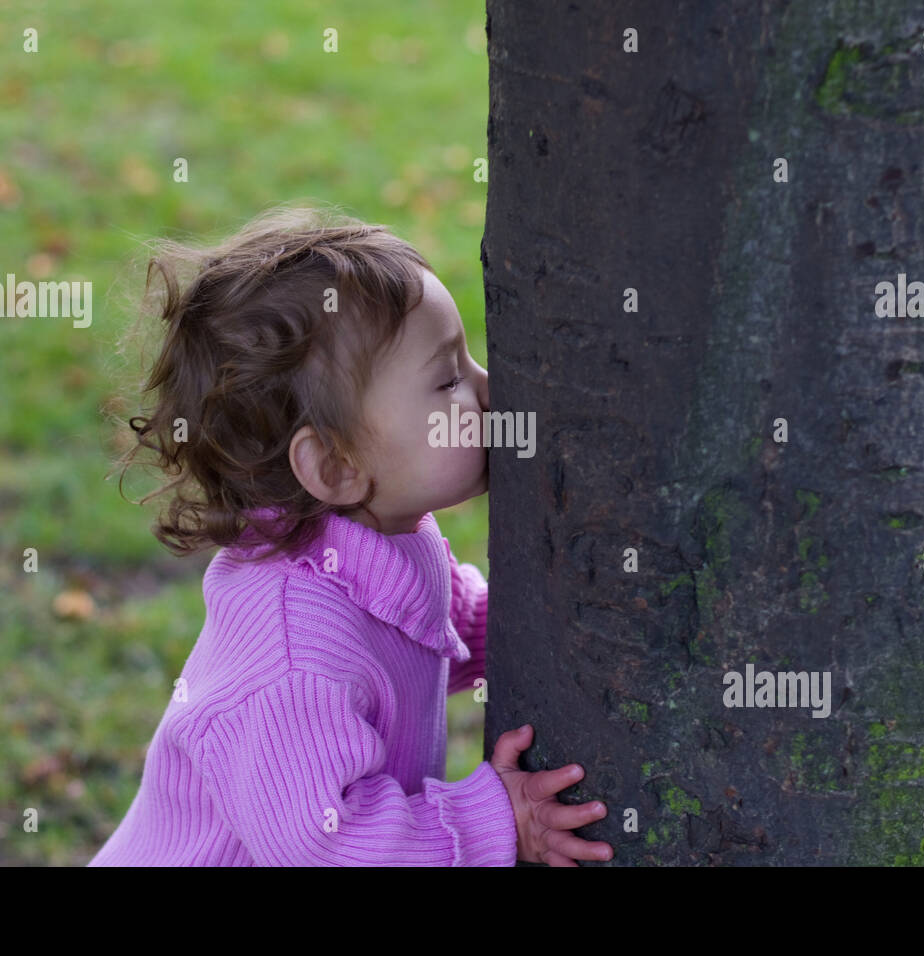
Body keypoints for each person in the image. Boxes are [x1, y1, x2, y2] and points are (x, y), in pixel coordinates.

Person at [89, 201, 613, 866]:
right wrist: (495, 820)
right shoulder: (292, 660)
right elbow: (329, 841)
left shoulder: (371, 540)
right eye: (449, 378)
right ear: (335, 466)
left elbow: (446, 626)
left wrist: (543, 625)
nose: (488, 389)